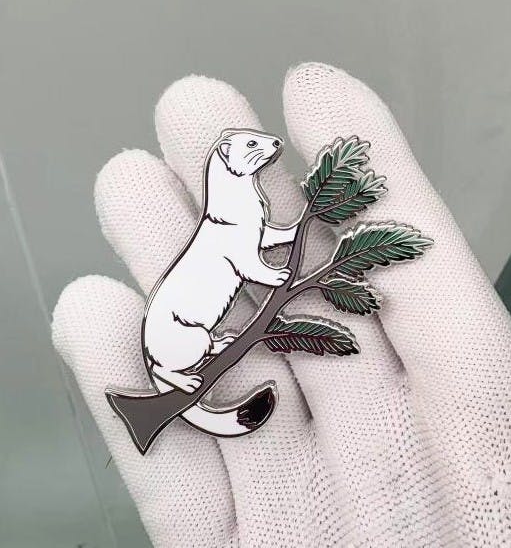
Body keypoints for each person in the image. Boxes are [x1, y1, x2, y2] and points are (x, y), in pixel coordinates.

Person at [52, 62, 511, 547]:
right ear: (229, 160)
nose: (267, 148)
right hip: (181, 336)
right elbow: (240, 255)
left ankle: (175, 388)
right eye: (253, 148)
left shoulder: (239, 208)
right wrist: (273, 273)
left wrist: (296, 231)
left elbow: (258, 237)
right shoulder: (224, 219)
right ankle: (175, 382)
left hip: (201, 336)